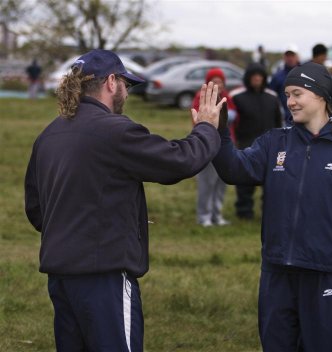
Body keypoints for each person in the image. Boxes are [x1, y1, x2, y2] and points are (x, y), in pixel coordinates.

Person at [24, 49, 226, 352]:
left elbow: (36, 210)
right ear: (110, 82)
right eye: (126, 85)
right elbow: (179, 161)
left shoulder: (49, 134)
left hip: (61, 277)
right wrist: (207, 128)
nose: (126, 94)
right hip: (104, 278)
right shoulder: (113, 130)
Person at [213, 62, 332, 351]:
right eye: (287, 95)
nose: (290, 102)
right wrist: (219, 133)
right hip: (277, 273)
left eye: (297, 94)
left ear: (320, 95)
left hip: (327, 273)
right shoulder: (274, 142)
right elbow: (234, 170)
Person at [231, 62, 282, 219]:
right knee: (245, 182)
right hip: (245, 146)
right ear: (248, 78)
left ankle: (269, 213)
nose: (257, 79)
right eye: (254, 76)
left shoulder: (272, 98)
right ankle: (244, 212)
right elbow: (233, 124)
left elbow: (278, 122)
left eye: (260, 76)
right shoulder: (237, 97)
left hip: (270, 147)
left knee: (271, 183)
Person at [192, 68, 236, 226]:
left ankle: (217, 215)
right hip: (207, 146)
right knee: (207, 182)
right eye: (214, 81)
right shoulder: (201, 97)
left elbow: (234, 116)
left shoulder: (227, 97)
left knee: (221, 182)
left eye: (220, 81)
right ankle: (204, 216)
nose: (218, 84)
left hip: (224, 146)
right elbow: (198, 119)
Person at [269, 44, 300, 126]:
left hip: (303, 119)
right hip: (285, 120)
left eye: (292, 55)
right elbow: (271, 97)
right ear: (284, 57)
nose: (290, 58)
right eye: (288, 55)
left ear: (297, 57)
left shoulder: (305, 75)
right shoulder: (277, 77)